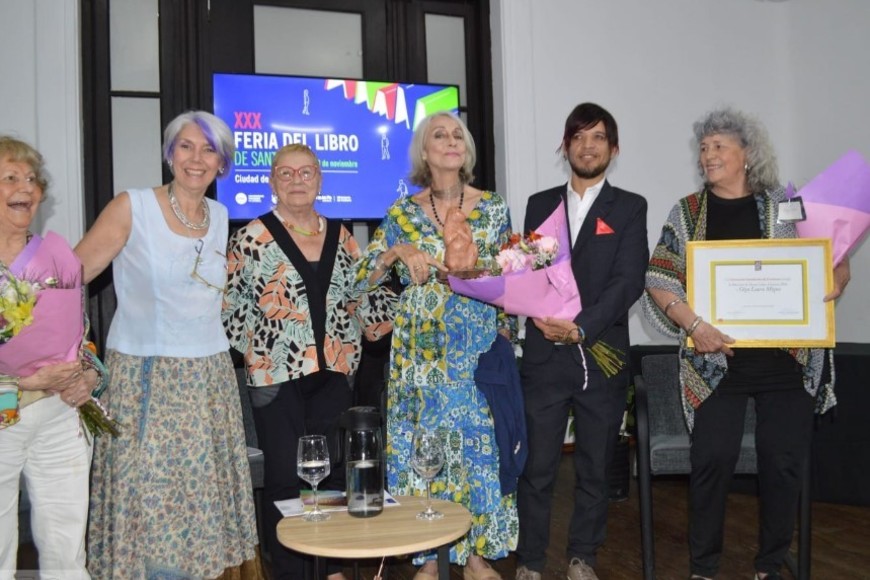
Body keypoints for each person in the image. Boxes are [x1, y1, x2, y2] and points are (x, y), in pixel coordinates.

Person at [641, 107, 850, 580]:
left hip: (788, 362)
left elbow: (835, 251)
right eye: (704, 147)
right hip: (716, 364)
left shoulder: (787, 203)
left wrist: (839, 275)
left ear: (748, 153)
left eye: (719, 146)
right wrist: (696, 326)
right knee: (711, 462)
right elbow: (659, 276)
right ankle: (703, 568)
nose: (708, 155)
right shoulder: (687, 211)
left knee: (783, 464)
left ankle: (770, 565)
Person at [76, 111, 261, 579]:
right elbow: (70, 278)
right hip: (147, 378)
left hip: (208, 380)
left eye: (208, 149)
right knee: (149, 498)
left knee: (199, 502)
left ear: (222, 162)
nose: (196, 159)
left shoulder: (220, 216)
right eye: (185, 146)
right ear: (169, 153)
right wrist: (76, 354)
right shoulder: (132, 206)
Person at [356, 111, 518, 580]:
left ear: (466, 151)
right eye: (439, 135)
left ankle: (476, 557)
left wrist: (506, 336)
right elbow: (362, 279)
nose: (451, 141)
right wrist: (394, 252)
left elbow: (512, 273)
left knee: (479, 448)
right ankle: (428, 556)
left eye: (457, 135)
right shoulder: (401, 214)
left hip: (475, 348)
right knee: (424, 449)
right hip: (419, 356)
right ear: (424, 153)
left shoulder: (493, 207)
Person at [222, 143, 394, 580]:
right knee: (284, 477)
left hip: (335, 371)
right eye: (286, 173)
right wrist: (259, 351)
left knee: (332, 475)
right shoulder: (250, 238)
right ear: (271, 181)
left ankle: (330, 568)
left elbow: (362, 297)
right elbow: (229, 310)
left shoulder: (343, 236)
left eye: (305, 172)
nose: (296, 181)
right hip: (275, 377)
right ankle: (293, 573)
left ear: (319, 178)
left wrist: (396, 305)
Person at [514, 103, 649, 580]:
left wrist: (582, 326)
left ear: (614, 149)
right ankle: (530, 561)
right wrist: (535, 311)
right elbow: (527, 273)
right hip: (544, 355)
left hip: (601, 352)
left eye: (598, 138)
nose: (587, 146)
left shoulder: (629, 207)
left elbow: (628, 281)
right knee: (537, 468)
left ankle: (582, 558)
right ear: (565, 145)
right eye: (578, 137)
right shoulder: (539, 204)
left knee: (594, 467)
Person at [0, 136, 107, 579]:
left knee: (66, 548)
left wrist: (88, 374)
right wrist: (22, 384)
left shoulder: (56, 256)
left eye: (31, 179)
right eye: (10, 177)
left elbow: (82, 337)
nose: (25, 188)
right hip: (3, 413)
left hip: (60, 414)